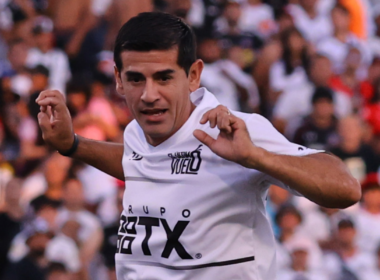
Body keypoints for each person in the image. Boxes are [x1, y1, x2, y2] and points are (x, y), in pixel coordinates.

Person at [36, 12, 361, 280]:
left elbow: (346, 189)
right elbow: (137, 161)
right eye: (136, 79)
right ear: (119, 79)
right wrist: (73, 145)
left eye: (164, 78)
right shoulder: (137, 132)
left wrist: (255, 157)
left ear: (193, 76)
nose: (149, 94)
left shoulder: (232, 132)